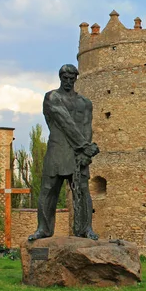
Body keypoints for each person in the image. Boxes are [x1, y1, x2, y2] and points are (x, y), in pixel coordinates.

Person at [28, 64, 99, 241]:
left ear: (76, 78)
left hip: (78, 153)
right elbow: (64, 121)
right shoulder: (52, 97)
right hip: (58, 149)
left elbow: (86, 127)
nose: (68, 82)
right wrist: (85, 146)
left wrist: (86, 153)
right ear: (60, 78)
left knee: (82, 190)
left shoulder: (85, 103)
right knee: (48, 190)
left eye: (71, 78)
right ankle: (44, 228)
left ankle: (85, 228)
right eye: (65, 78)